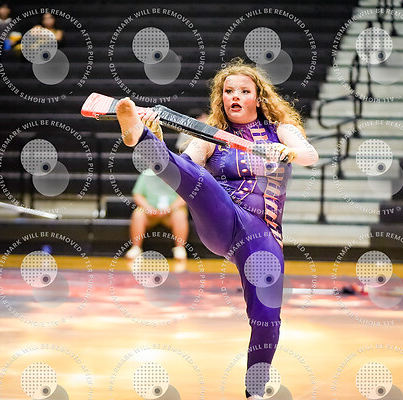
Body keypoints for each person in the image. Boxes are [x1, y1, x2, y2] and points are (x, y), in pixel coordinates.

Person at [115, 58, 318, 399]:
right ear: (221, 97)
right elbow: (184, 170)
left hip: (264, 234)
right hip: (222, 218)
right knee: (201, 181)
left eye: (244, 91)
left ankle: (255, 391)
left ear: (258, 97)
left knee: (267, 316)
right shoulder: (211, 135)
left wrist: (287, 152)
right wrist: (158, 141)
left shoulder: (280, 129)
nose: (234, 96)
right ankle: (142, 138)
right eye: (228, 90)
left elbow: (310, 154)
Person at [125, 171, 188, 261]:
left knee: (180, 214)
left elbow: (184, 197)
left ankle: (180, 249)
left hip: (170, 214)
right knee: (138, 213)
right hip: (150, 214)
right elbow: (137, 194)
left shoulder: (178, 174)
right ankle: (135, 248)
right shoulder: (147, 174)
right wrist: (148, 208)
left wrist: (169, 209)